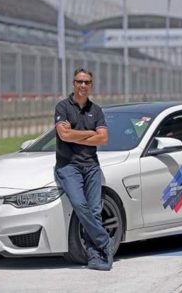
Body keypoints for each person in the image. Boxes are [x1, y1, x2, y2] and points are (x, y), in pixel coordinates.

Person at [53, 68, 114, 271]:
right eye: (79, 81)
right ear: (73, 84)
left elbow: (103, 138)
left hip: (91, 166)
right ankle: (105, 241)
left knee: (95, 210)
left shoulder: (96, 110)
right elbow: (64, 136)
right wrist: (89, 133)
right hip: (68, 166)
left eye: (87, 82)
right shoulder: (62, 107)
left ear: (91, 85)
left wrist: (76, 133)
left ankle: (96, 257)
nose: (83, 85)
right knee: (80, 205)